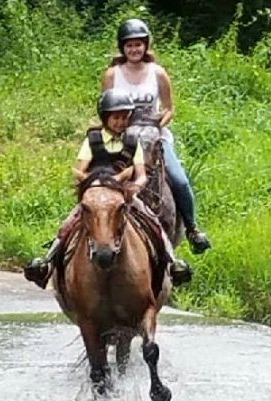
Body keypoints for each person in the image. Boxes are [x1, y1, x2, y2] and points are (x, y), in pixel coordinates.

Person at [23, 88, 193, 289]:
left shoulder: (132, 142)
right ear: (106, 117)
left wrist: (135, 187)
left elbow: (140, 174)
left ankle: (172, 263)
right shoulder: (93, 140)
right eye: (116, 118)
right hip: (96, 193)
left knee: (152, 222)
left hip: (123, 195)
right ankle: (48, 262)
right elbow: (80, 170)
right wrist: (92, 184)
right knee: (69, 223)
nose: (121, 122)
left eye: (124, 118)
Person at [102, 18, 211, 255]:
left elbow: (170, 108)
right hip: (123, 138)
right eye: (129, 45)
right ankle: (71, 235)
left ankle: (192, 228)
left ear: (146, 45)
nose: (134, 50)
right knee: (98, 179)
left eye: (138, 44)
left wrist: (157, 124)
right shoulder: (112, 74)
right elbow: (106, 107)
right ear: (122, 47)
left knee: (179, 179)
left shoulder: (158, 73)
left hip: (155, 137)